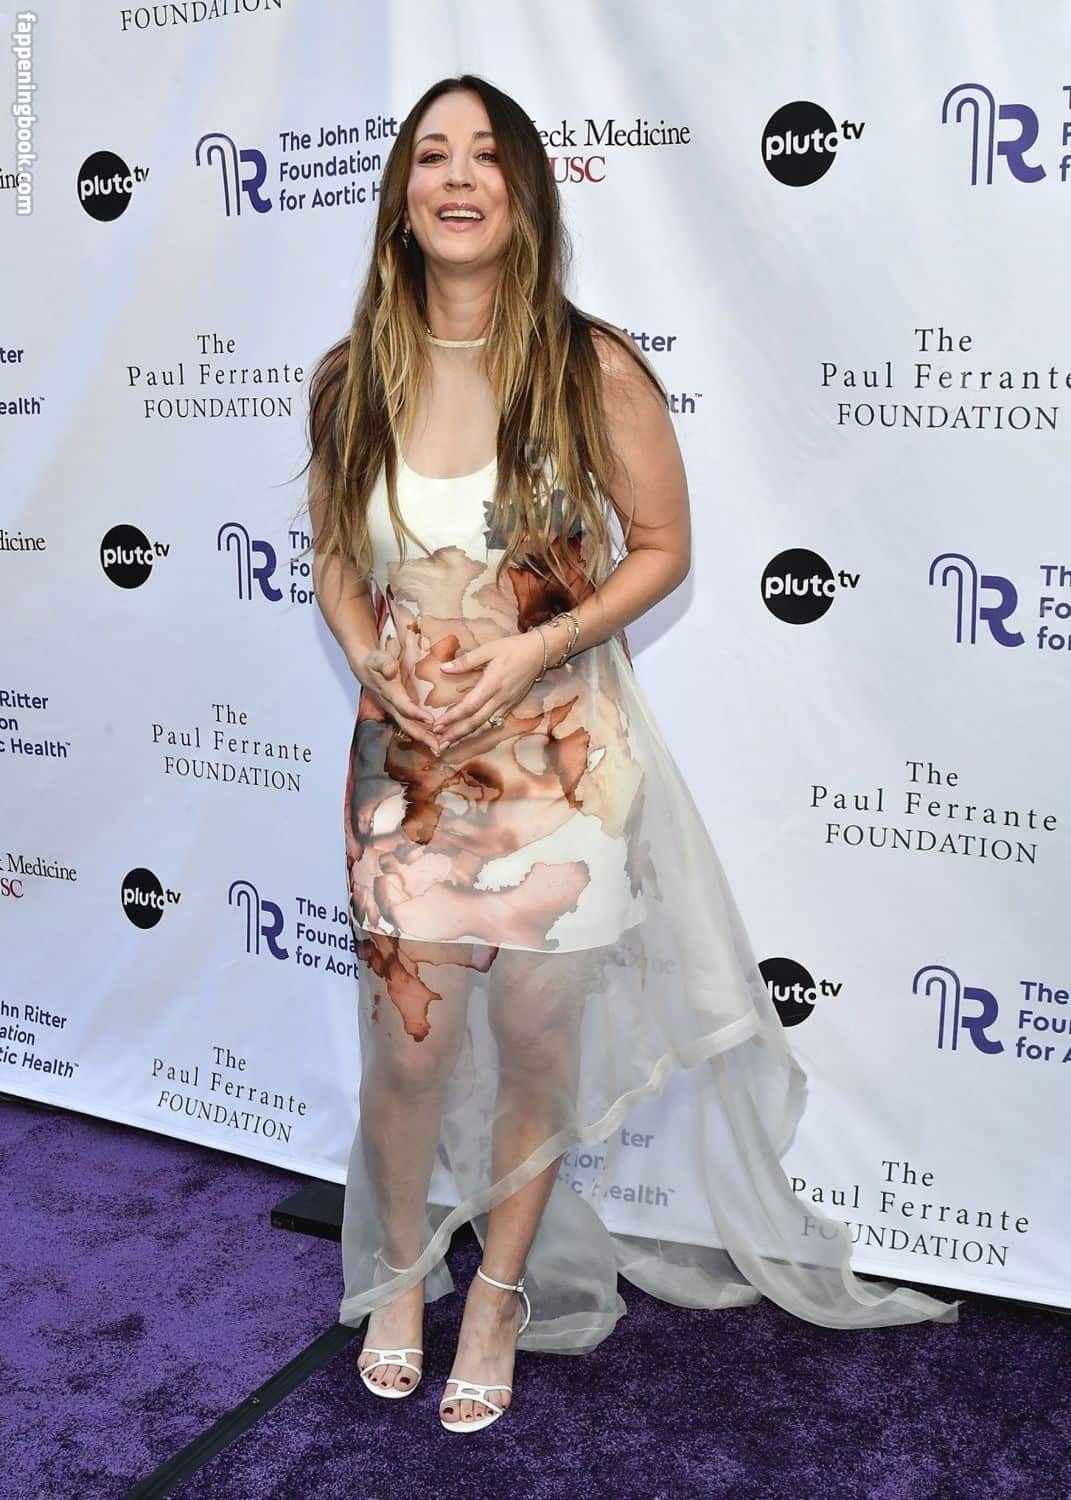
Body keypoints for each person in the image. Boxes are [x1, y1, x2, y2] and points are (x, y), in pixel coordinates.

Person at [300, 73, 960, 1435]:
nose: (460, 177)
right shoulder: (351, 377)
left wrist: (536, 649)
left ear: (527, 192)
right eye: (433, 156)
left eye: (487, 155)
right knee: (410, 1053)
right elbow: (333, 564)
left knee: (536, 1042)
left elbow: (664, 548)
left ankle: (501, 1295)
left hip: (562, 769)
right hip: (405, 769)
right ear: (402, 196)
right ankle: (408, 1275)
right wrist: (370, 659)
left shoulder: (588, 366)